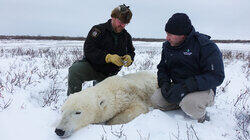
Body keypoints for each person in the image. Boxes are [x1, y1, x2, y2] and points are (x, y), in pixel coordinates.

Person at [151, 13, 225, 123]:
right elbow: (163, 68)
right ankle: (181, 103)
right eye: (166, 34)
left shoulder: (206, 46)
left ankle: (201, 115)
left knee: (190, 104)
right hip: (178, 87)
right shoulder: (168, 46)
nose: (167, 38)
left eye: (170, 34)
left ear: (182, 34)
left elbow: (217, 76)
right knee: (156, 100)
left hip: (202, 89)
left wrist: (186, 86)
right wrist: (165, 84)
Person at [67, 4, 135, 96]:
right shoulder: (98, 30)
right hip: (92, 67)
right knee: (75, 70)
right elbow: (89, 49)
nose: (122, 25)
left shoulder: (126, 37)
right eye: (120, 22)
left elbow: (131, 52)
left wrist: (129, 58)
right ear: (113, 17)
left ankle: (99, 86)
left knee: (101, 97)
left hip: (109, 74)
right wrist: (107, 57)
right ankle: (72, 103)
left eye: (125, 23)